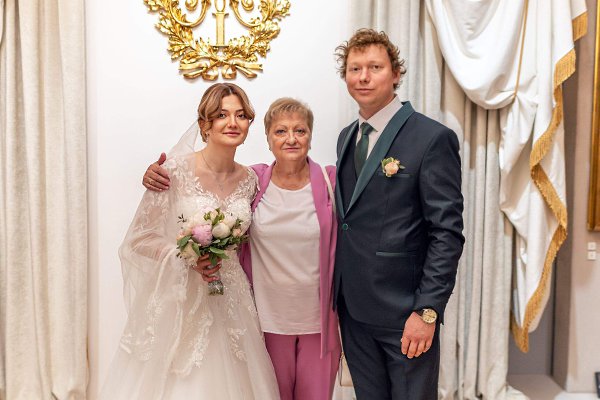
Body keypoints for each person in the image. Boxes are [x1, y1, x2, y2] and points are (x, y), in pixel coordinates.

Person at [142, 98, 341, 400]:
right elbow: (209, 181)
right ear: (267, 138)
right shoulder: (255, 179)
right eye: (280, 131)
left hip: (319, 320)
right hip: (265, 319)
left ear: (310, 136)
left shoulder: (331, 181)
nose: (291, 139)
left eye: (300, 131)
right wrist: (153, 174)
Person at [101, 83, 280, 400]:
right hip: (182, 295)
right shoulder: (173, 171)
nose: (232, 122)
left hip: (232, 295)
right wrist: (185, 256)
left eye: (241, 115)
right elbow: (139, 238)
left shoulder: (251, 180)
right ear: (204, 125)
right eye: (221, 115)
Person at [333, 29, 465, 399]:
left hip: (405, 312)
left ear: (395, 74)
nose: (363, 77)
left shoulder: (431, 138)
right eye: (355, 68)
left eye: (374, 67)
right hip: (354, 309)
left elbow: (446, 233)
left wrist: (427, 311)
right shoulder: (347, 137)